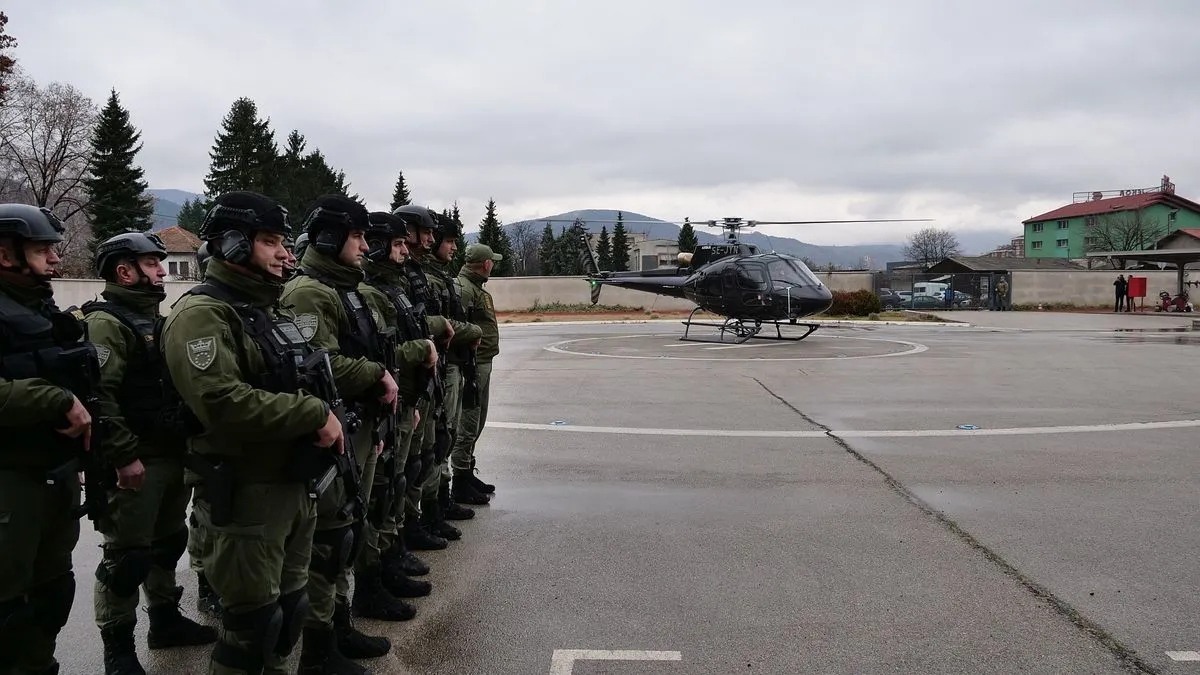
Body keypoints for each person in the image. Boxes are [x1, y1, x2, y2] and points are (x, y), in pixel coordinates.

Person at [160, 190, 347, 675]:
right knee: (251, 631)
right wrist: (311, 414)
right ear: (234, 245)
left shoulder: (264, 309)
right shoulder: (202, 315)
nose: (286, 253)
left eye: (283, 241)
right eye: (270, 241)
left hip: (290, 486)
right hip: (246, 498)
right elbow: (221, 402)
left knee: (288, 618)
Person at [82, 232, 217, 674]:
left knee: (167, 543)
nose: (162, 270)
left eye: (162, 263)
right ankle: (118, 648)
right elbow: (100, 399)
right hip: (136, 460)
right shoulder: (107, 324)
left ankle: (164, 618)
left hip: (169, 454)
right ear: (125, 271)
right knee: (127, 556)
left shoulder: (155, 321)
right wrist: (123, 457)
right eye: (153, 263)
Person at [281, 194, 400, 671]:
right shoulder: (310, 292)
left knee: (347, 528)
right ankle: (318, 646)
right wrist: (375, 374)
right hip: (335, 427)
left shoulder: (345, 288)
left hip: (359, 425)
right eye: (357, 236)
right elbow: (321, 364)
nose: (364, 245)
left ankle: (339, 624)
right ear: (331, 239)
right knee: (330, 540)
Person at [0, 204, 96, 675]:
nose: (56, 259)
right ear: (5, 255)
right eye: (43, 250)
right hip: (10, 481)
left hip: (53, 476)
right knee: (8, 613)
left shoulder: (38, 307)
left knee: (52, 594)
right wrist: (53, 399)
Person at [351, 211, 440, 622]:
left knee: (398, 483)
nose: (405, 249)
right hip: (386, 405)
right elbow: (380, 356)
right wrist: (421, 348)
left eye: (407, 243)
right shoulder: (370, 291)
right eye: (399, 243)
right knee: (381, 493)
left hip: (404, 402)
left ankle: (390, 558)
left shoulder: (393, 288)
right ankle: (372, 582)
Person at [390, 206, 462, 549]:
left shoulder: (416, 272)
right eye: (426, 232)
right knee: (406, 465)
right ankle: (405, 529)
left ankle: (422, 518)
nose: (431, 239)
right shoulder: (399, 275)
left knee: (427, 453)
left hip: (426, 374)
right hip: (408, 381)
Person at [411, 210, 483, 521]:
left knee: (445, 435)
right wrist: (473, 332)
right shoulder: (427, 279)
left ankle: (440, 500)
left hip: (450, 366)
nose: (454, 248)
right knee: (435, 440)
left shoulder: (441, 277)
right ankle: (432, 508)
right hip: (442, 366)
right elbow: (437, 324)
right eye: (449, 241)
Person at [452, 243, 502, 502]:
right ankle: (459, 480)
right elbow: (456, 326)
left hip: (483, 361)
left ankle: (467, 471)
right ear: (485, 264)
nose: (493, 264)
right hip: (472, 364)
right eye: (491, 261)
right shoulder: (463, 289)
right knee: (468, 421)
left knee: (478, 419)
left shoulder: (476, 288)